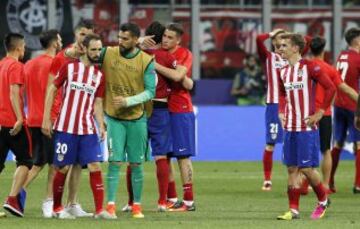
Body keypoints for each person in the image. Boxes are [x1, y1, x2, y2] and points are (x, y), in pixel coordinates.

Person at [42, 34, 113, 220]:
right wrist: (46, 119)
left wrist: (101, 125)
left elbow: (97, 103)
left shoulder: (99, 76)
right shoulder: (70, 67)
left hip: (87, 128)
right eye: (94, 50)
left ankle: (99, 211)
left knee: (95, 165)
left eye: (99, 50)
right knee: (63, 167)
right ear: (84, 49)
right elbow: (52, 89)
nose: (97, 53)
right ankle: (57, 209)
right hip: (66, 126)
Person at [100, 22, 156, 219]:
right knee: (114, 162)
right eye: (119, 38)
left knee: (136, 164)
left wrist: (128, 101)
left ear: (134, 40)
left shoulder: (146, 61)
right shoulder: (107, 53)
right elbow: (87, 55)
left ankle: (137, 206)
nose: (120, 41)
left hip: (137, 119)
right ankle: (111, 205)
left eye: (125, 38)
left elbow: (151, 91)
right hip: (114, 118)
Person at [276, 33, 334, 220]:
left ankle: (323, 200)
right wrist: (281, 111)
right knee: (292, 168)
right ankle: (293, 210)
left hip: (307, 127)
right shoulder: (282, 71)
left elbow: (331, 87)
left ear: (295, 48)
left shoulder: (310, 67)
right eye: (279, 46)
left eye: (284, 45)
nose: (280, 49)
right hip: (290, 127)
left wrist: (320, 112)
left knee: (307, 169)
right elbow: (282, 94)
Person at [47, 20, 94, 217]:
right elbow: (51, 88)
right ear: (75, 35)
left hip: (83, 119)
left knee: (78, 164)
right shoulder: (62, 58)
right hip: (63, 117)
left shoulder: (92, 58)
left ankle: (72, 203)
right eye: (83, 34)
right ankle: (50, 203)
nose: (85, 38)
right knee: (60, 163)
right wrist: (48, 117)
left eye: (89, 35)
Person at [309, 36, 358, 192]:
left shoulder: (304, 67)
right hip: (325, 113)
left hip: (307, 114)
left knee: (305, 149)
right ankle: (325, 184)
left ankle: (302, 184)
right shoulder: (329, 69)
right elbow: (345, 89)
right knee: (326, 150)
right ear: (324, 50)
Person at [22, 30, 62, 218]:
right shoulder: (56, 64)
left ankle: (15, 195)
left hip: (32, 119)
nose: (61, 42)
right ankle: (48, 202)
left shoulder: (29, 64)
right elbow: (55, 94)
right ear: (54, 43)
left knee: (37, 162)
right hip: (50, 119)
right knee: (52, 163)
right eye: (60, 39)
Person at [156, 23, 196, 212]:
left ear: (178, 40)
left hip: (180, 109)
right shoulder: (156, 52)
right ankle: (172, 198)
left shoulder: (184, 54)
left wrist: (153, 64)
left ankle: (189, 201)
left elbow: (179, 75)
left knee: (183, 155)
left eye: (170, 37)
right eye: (164, 36)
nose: (165, 39)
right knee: (165, 155)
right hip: (161, 109)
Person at [0, 33, 32, 217]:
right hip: (13, 123)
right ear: (19, 48)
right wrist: (20, 118)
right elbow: (14, 93)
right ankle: (12, 199)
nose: (25, 49)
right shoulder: (16, 66)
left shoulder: (1, 64)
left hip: (1, 122)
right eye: (24, 46)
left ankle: (12, 200)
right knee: (26, 161)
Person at [329, 28, 360, 194]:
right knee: (359, 143)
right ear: (357, 41)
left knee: (338, 143)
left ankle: (330, 182)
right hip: (354, 106)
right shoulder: (358, 58)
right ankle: (358, 184)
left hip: (338, 105)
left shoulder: (341, 55)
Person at [256, 28, 287, 191]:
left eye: (285, 38)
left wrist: (291, 37)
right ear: (274, 41)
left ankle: (300, 177)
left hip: (293, 105)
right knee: (271, 143)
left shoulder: (293, 58)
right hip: (274, 105)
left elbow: (309, 41)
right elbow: (258, 40)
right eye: (279, 38)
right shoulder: (269, 57)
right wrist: (271, 33)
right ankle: (267, 179)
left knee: (296, 141)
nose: (282, 41)